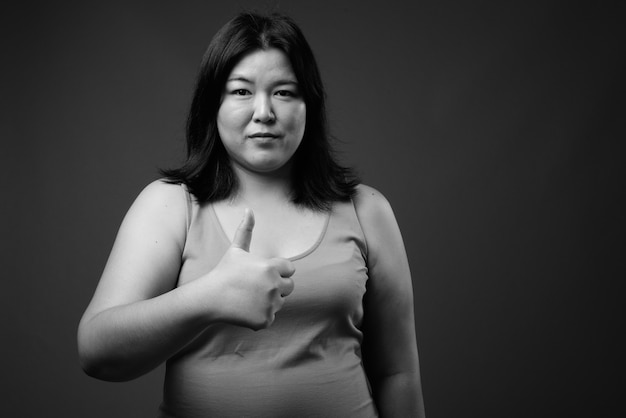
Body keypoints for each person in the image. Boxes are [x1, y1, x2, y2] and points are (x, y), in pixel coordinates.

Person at [77, 11, 425, 418]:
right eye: (241, 91)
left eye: (284, 92)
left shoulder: (368, 210)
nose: (264, 112)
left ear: (308, 105)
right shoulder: (171, 205)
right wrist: (208, 298)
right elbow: (96, 352)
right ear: (214, 104)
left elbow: (397, 373)